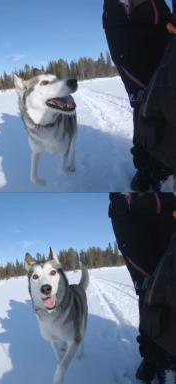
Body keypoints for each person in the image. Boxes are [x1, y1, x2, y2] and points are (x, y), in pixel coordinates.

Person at [103, 0, 176, 191]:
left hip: (159, 16)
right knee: (143, 98)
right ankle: (147, 166)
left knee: (170, 92)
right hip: (123, 21)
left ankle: (166, 160)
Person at [109, 192, 176, 383]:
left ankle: (168, 356)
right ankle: (152, 355)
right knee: (148, 288)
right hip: (128, 210)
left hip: (166, 205)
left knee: (170, 283)